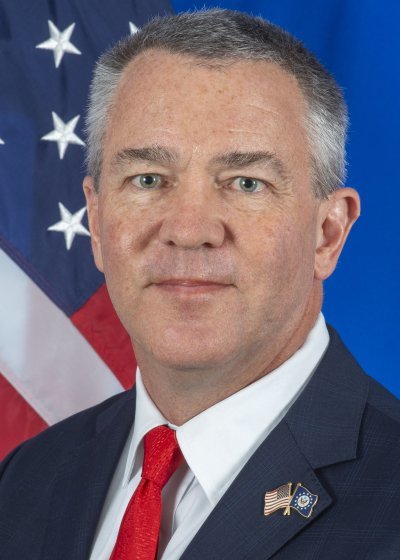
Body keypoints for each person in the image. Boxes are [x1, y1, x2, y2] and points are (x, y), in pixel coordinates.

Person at [1, 8, 400, 559]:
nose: (189, 231)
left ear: (327, 234)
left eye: (246, 182)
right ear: (96, 220)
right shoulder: (25, 480)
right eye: (147, 179)